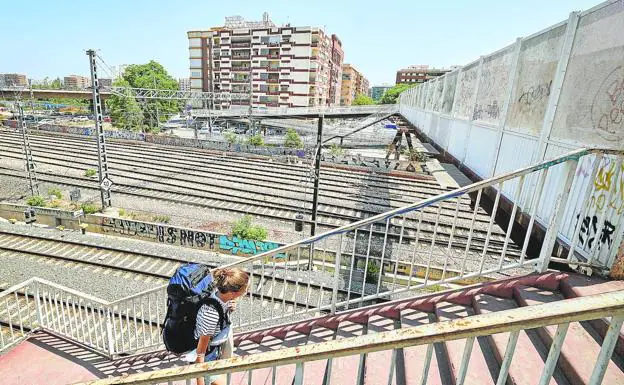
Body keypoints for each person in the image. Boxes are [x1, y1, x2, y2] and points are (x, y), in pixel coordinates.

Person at [192, 267, 249, 385]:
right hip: (207, 357)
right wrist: (200, 382)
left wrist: (229, 310)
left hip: (214, 349)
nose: (246, 291)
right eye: (245, 289)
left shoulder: (219, 295)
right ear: (234, 293)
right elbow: (200, 353)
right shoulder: (211, 314)